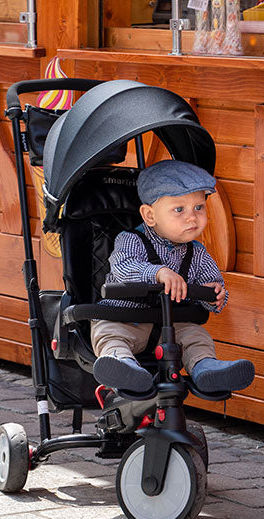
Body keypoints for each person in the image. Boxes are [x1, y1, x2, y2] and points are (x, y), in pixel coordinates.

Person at [91, 159, 255, 394]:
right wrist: (157, 272)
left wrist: (214, 294)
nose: (192, 217)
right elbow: (123, 268)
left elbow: (212, 282)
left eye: (199, 207)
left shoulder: (196, 252)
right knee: (109, 333)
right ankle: (121, 365)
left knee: (196, 336)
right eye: (179, 209)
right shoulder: (130, 240)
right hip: (126, 319)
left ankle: (205, 367)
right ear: (149, 215)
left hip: (171, 326)